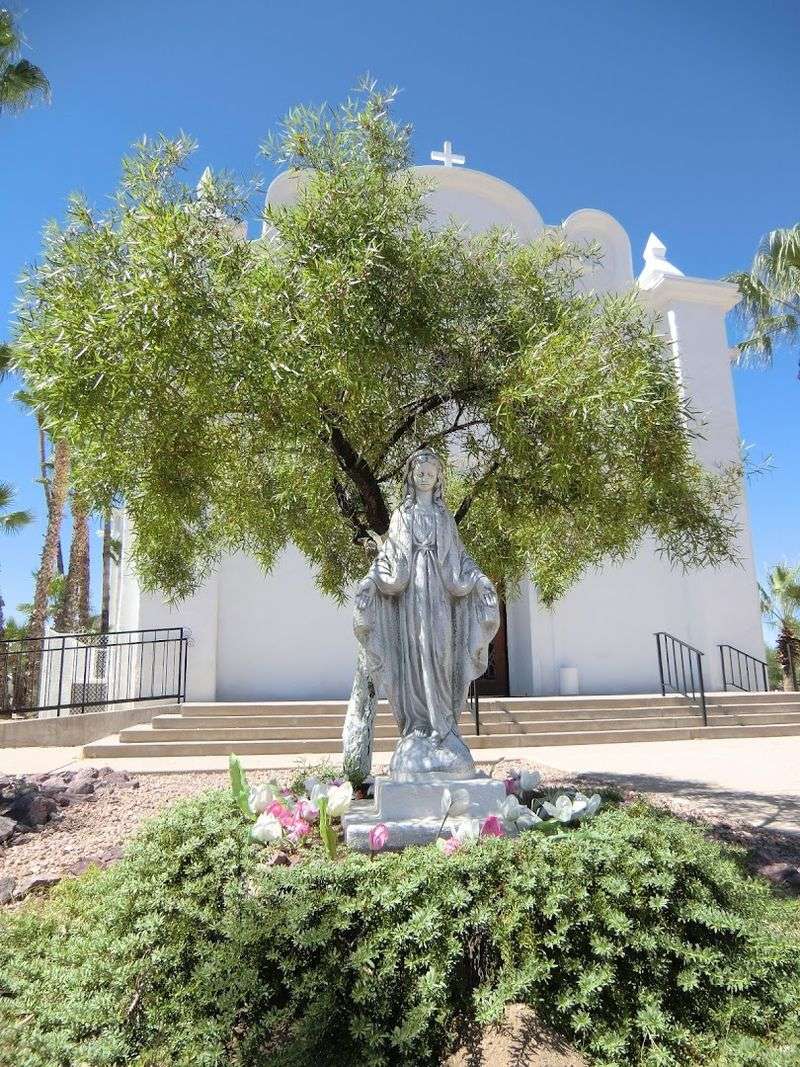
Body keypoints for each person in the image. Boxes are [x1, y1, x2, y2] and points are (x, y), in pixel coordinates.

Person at [353, 448, 499, 779]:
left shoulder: (444, 518)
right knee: (415, 655)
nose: (424, 476)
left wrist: (478, 578)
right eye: (419, 472)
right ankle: (418, 726)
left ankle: (444, 725)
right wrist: (372, 580)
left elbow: (460, 558)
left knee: (441, 653)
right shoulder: (401, 516)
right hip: (411, 598)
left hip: (441, 596)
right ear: (410, 476)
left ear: (438, 478)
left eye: (430, 472)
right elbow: (389, 557)